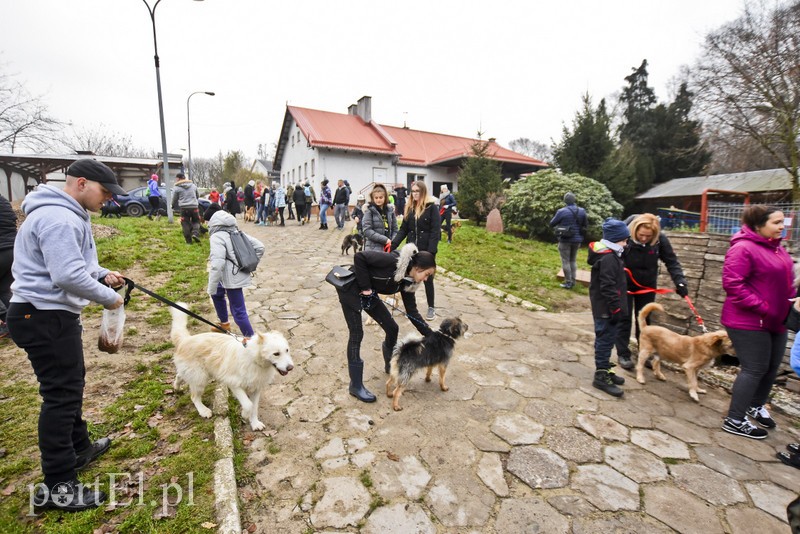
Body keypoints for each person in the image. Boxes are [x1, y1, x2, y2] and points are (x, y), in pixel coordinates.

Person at [6, 159, 127, 511]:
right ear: (82, 184)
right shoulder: (58, 218)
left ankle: (79, 447)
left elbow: (79, 266)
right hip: (42, 315)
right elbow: (67, 276)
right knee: (61, 396)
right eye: (105, 192)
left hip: (49, 314)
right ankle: (59, 486)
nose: (108, 199)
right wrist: (110, 298)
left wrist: (103, 275)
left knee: (70, 385)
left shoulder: (67, 214)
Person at [720, 205, 793, 439]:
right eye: (776, 222)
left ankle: (755, 405)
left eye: (783, 221)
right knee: (754, 369)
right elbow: (733, 285)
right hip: (749, 321)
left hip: (777, 320)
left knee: (771, 368)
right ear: (758, 225)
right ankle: (734, 419)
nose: (782, 226)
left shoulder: (777, 248)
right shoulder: (743, 248)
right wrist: (764, 308)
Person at [335, 244, 436, 402]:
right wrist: (366, 287)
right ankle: (355, 385)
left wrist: (431, 335)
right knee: (356, 334)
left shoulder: (408, 283)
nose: (426, 279)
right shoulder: (392, 261)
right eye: (427, 274)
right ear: (417, 268)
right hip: (351, 289)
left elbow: (412, 312)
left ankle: (389, 365)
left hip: (369, 294)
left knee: (392, 328)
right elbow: (359, 257)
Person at [615, 213, 688, 370]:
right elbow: (609, 256)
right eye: (641, 235)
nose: (644, 239)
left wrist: (680, 282)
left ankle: (644, 352)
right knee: (624, 318)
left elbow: (672, 261)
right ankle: (623, 353)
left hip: (646, 285)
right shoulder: (623, 237)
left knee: (644, 320)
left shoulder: (660, 240)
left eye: (648, 237)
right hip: (624, 283)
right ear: (635, 230)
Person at [587, 218, 630, 397]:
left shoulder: (610, 256)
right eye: (624, 240)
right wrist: (616, 309)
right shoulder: (609, 259)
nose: (626, 244)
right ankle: (601, 375)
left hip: (606, 308)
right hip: (607, 310)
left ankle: (606, 368)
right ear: (615, 239)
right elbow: (608, 286)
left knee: (606, 339)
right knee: (605, 340)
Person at [207, 210, 265, 338]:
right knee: (217, 293)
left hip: (231, 278)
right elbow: (260, 247)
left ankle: (250, 339)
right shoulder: (237, 233)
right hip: (231, 275)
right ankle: (224, 324)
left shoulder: (217, 236)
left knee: (238, 311)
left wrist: (210, 288)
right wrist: (247, 264)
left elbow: (217, 265)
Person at [391, 180, 441, 321]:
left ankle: (431, 306)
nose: (415, 194)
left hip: (426, 250)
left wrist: (431, 253)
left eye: (417, 191)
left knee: (427, 279)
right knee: (408, 278)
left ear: (423, 192)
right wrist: (393, 245)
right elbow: (403, 230)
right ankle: (410, 308)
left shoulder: (431, 208)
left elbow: (435, 231)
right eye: (413, 191)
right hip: (411, 250)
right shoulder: (410, 208)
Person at [549, 192, 588, 290]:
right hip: (577, 239)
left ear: (565, 201)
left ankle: (568, 282)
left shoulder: (562, 211)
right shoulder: (582, 211)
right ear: (574, 200)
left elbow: (552, 223)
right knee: (573, 260)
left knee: (565, 261)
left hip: (565, 239)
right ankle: (573, 281)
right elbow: (585, 225)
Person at [363, 183, 397, 252]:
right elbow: (367, 230)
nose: (378, 200)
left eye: (381, 197)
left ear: (385, 197)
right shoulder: (369, 211)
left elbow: (395, 229)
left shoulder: (390, 211)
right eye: (376, 198)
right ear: (373, 198)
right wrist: (385, 240)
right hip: (373, 248)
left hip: (389, 247)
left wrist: (392, 242)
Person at [0, 194, 16, 339]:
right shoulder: (3, 201)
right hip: (13, 249)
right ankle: (15, 325)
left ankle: (4, 324)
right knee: (4, 290)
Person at [171, 172, 201, 244]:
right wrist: (194, 201)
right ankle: (195, 233)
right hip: (194, 207)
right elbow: (198, 195)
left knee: (185, 223)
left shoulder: (177, 187)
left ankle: (189, 242)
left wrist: (172, 205)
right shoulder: (193, 185)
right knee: (196, 221)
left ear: (178, 178)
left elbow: (174, 199)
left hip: (184, 208)